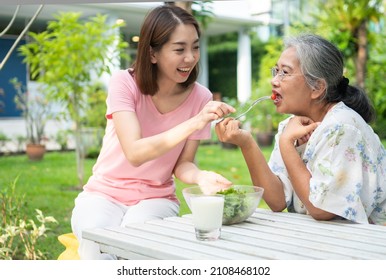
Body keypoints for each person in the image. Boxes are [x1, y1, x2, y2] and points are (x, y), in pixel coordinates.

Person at [71, 4, 235, 260]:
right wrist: (195, 121)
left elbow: (183, 165)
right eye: (179, 49)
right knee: (97, 247)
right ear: (153, 54)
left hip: (155, 198)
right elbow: (135, 152)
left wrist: (201, 176)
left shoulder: (200, 97)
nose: (190, 58)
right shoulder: (125, 83)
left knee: (136, 248)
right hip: (103, 194)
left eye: (195, 47)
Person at [215, 33, 386, 225]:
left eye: (285, 73)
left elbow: (322, 209)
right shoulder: (291, 126)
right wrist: (246, 143)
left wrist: (287, 145)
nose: (274, 81)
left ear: (317, 87)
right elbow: (277, 200)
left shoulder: (342, 127)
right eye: (276, 71)